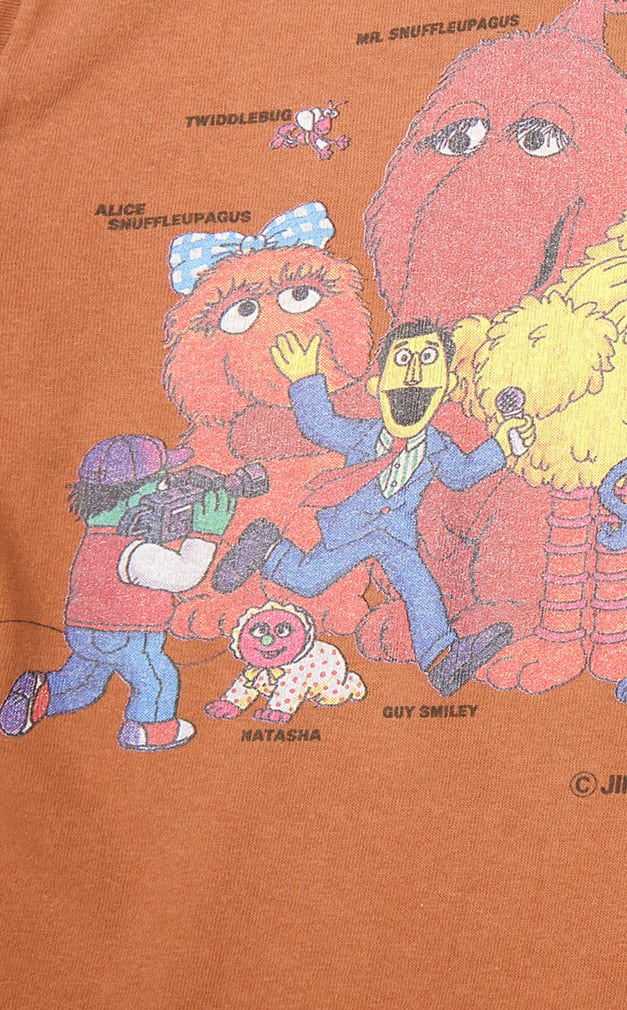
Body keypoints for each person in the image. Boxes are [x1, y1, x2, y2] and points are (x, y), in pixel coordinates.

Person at [209, 320, 531, 697]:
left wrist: (503, 444)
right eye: (403, 361)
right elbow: (319, 425)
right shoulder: (362, 434)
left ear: (447, 387)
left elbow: (461, 475)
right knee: (308, 580)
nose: (414, 375)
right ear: (376, 385)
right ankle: (268, 548)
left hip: (395, 536)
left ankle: (443, 659)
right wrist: (306, 379)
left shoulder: (439, 446)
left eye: (428, 360)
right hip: (351, 528)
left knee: (420, 588)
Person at [1, 434, 234, 750]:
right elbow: (184, 576)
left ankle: (42, 695)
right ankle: (149, 729)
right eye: (163, 484)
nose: (171, 491)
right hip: (127, 636)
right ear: (135, 497)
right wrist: (206, 533)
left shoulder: (96, 538)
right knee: (157, 678)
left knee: (85, 683)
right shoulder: (134, 551)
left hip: (82, 631)